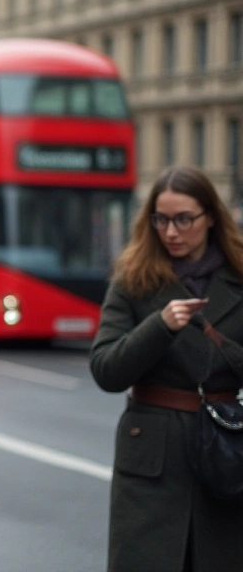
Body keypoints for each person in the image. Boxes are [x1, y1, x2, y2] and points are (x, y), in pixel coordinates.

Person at [91, 166, 243, 572]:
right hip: (151, 461)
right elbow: (106, 369)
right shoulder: (133, 279)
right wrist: (159, 326)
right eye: (161, 219)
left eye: (183, 219)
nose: (171, 231)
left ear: (210, 216)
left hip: (226, 452)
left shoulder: (239, 277)